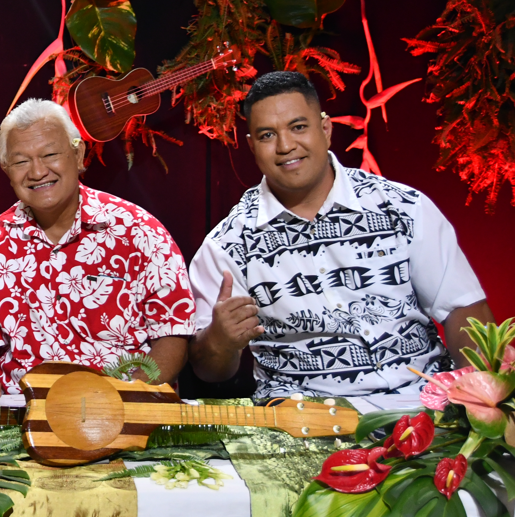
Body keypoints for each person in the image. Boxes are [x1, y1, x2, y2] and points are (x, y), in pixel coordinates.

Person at [188, 71, 494, 399]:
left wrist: (485, 401)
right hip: (304, 425)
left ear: (325, 129)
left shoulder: (402, 207)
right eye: (267, 135)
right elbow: (209, 369)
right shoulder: (227, 245)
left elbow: (463, 310)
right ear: (252, 146)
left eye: (298, 127)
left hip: (425, 408)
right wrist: (220, 340)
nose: (286, 145)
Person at [0, 99, 196, 403]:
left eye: (50, 154)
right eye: (21, 161)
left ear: (78, 154)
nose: (38, 171)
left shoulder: (140, 231)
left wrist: (126, 396)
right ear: (6, 170)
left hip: (124, 414)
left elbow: (173, 337)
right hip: (22, 423)